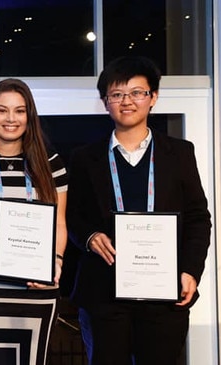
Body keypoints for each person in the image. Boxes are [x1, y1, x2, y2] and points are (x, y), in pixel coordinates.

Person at [67, 56, 211, 365]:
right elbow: (72, 217)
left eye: (137, 92)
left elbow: (199, 217)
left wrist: (190, 271)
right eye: (117, 94)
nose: (127, 101)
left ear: (153, 98)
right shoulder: (83, 158)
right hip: (104, 294)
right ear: (106, 102)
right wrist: (90, 237)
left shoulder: (180, 153)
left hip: (164, 290)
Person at [0, 78, 68, 365]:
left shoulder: (51, 163)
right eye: (2, 110)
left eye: (19, 111)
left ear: (29, 116)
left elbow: (59, 223)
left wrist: (55, 263)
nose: (11, 119)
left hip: (37, 289)